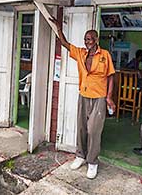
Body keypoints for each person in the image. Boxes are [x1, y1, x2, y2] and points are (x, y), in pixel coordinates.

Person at [53, 17, 116, 179]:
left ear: (95, 40)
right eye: (85, 39)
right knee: (81, 128)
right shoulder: (80, 53)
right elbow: (65, 44)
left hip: (99, 98)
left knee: (93, 130)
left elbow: (111, 77)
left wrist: (109, 97)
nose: (86, 42)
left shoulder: (105, 55)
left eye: (89, 39)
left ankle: (93, 162)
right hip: (83, 95)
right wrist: (59, 27)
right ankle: (80, 156)